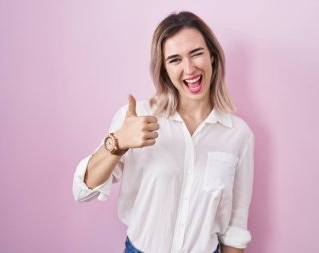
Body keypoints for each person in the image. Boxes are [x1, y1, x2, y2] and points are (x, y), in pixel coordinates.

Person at [73, 11, 255, 253]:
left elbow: (235, 230)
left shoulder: (239, 135)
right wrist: (117, 142)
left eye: (196, 53)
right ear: (164, 69)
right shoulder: (137, 118)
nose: (189, 68)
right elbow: (82, 191)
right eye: (175, 59)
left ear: (212, 56)